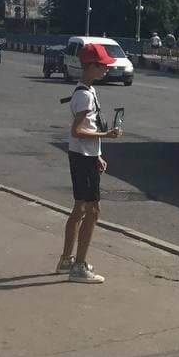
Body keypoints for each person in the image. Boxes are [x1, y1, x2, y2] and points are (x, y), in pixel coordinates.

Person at [60, 42, 122, 283]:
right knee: (93, 211)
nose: (106, 69)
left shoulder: (87, 90)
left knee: (80, 208)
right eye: (102, 65)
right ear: (90, 66)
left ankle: (67, 259)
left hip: (84, 156)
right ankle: (79, 266)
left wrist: (97, 154)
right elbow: (77, 131)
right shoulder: (85, 96)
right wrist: (105, 137)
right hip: (82, 158)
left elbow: (85, 130)